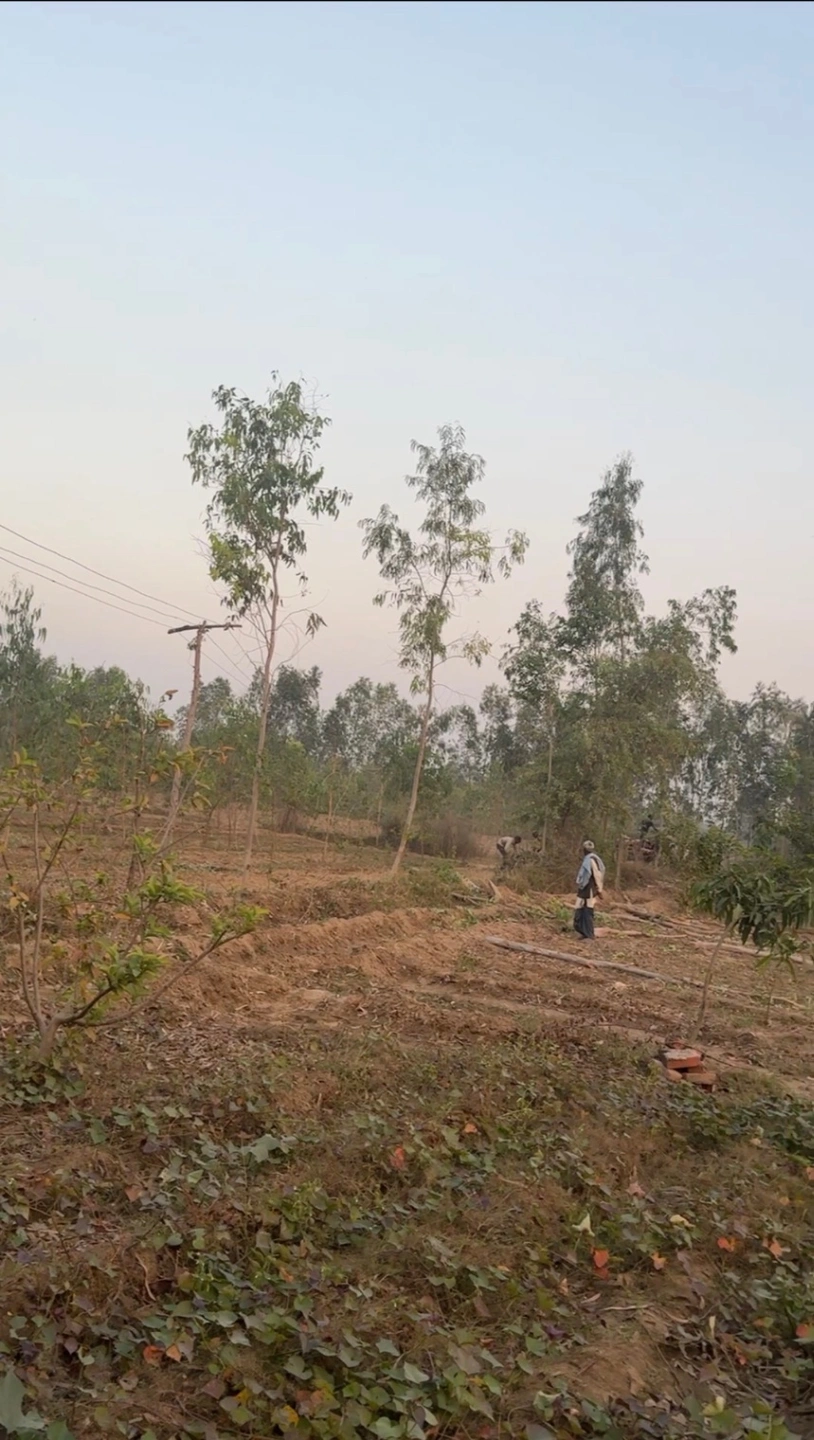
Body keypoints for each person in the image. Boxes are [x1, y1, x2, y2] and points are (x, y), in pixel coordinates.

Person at [573, 839, 605, 939]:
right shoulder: (587, 859)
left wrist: (599, 890)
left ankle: (589, 934)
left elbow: (597, 875)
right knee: (579, 908)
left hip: (590, 889)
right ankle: (583, 932)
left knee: (588, 910)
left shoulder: (591, 860)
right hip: (583, 888)